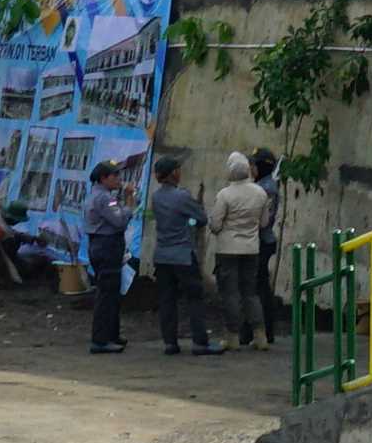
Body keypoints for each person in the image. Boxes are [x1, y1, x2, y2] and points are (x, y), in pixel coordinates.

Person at [142, 153, 220, 355]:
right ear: (173, 174)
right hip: (183, 255)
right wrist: (190, 223)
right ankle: (200, 342)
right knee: (194, 298)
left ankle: (170, 342)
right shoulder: (182, 196)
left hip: (162, 255)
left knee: (167, 299)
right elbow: (201, 219)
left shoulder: (156, 197)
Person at [208, 149, 280, 346]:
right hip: (251, 248)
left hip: (228, 249)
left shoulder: (225, 194)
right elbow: (264, 222)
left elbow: (215, 225)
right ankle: (260, 335)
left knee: (230, 293)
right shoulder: (260, 192)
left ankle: (232, 335)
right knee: (251, 293)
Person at [80, 155, 144, 347]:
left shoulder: (102, 196)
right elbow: (119, 221)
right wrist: (130, 203)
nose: (119, 180)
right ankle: (101, 339)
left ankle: (111, 335)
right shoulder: (104, 198)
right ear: (103, 178)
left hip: (103, 245)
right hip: (106, 246)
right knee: (107, 294)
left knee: (112, 292)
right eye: (114, 176)